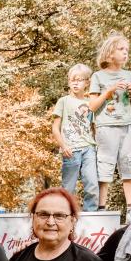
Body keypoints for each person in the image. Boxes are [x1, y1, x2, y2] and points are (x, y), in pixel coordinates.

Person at [88, 32, 131, 221]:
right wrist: (109, 91)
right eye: (121, 49)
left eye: (127, 50)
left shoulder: (129, 75)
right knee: (104, 167)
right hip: (106, 127)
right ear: (110, 53)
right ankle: (101, 210)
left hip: (127, 127)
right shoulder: (98, 76)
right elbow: (92, 106)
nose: (125, 53)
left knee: (129, 166)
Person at [51, 64, 100, 211]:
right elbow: (55, 128)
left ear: (87, 83)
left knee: (92, 184)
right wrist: (63, 146)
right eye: (72, 80)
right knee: (68, 187)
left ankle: (90, 214)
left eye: (79, 80)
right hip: (70, 150)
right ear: (68, 82)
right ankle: (64, 213)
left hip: (89, 149)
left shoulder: (90, 104)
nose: (75, 83)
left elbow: (94, 127)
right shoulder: (63, 101)